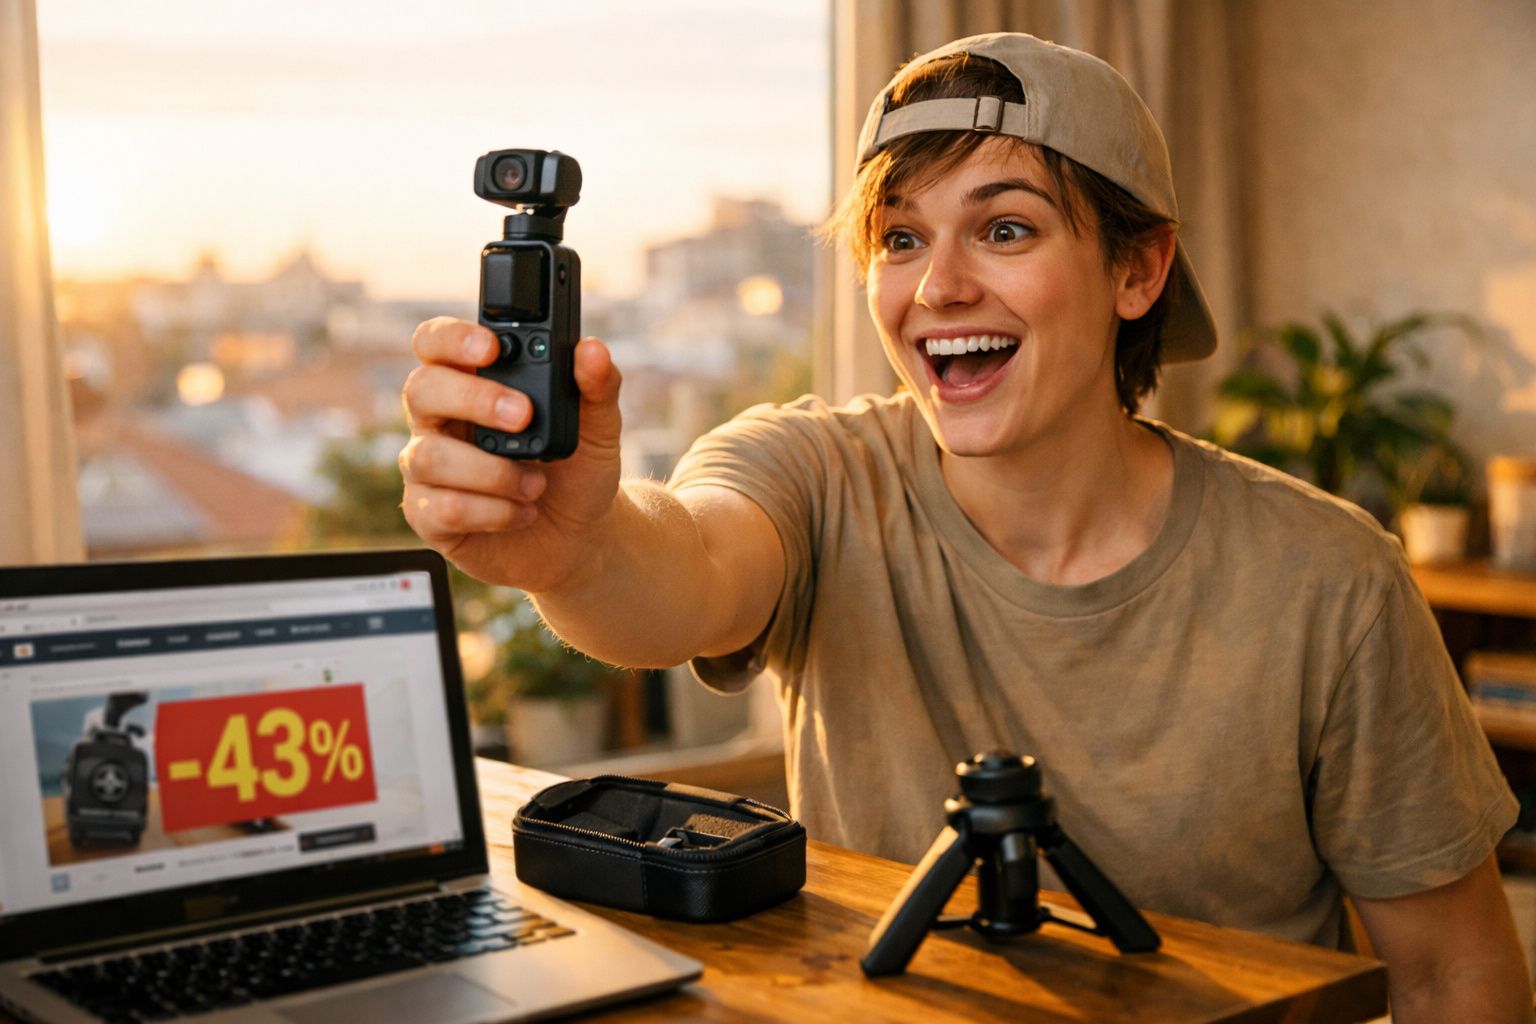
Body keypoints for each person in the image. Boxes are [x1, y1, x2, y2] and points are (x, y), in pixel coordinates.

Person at [400, 32, 1532, 1020]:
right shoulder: (817, 471)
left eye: (1005, 228)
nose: (937, 287)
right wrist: (577, 549)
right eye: (900, 239)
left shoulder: (1330, 577)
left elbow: (1453, 975)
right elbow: (683, 570)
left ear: (1138, 269)